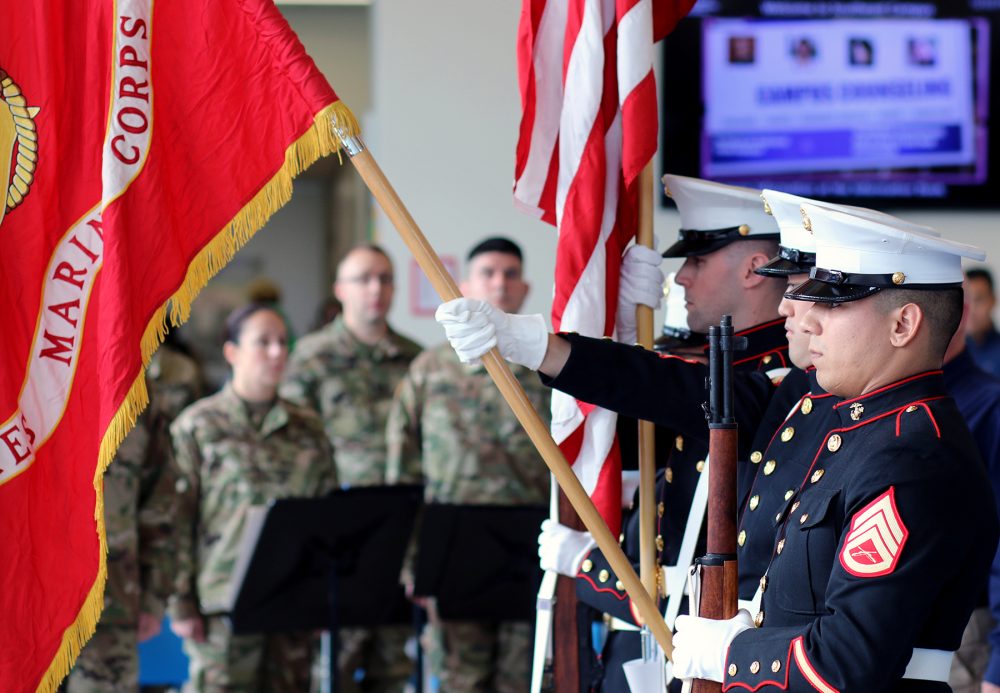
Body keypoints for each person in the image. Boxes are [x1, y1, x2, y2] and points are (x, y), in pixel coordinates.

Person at [668, 203, 998, 690]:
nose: (804, 318)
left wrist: (730, 653)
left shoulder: (912, 456)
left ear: (903, 325)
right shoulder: (860, 430)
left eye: (834, 304)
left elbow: (845, 662)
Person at [535, 175, 792, 690]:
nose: (681, 279)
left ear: (755, 269)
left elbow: (668, 390)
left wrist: (554, 351)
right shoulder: (701, 370)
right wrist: (621, 333)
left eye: (696, 262)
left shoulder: (782, 382)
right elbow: (626, 425)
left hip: (708, 644)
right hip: (645, 630)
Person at [385, 237, 550, 692]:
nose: (500, 283)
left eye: (510, 274)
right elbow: (404, 472)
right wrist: (411, 561)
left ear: (524, 287)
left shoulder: (545, 366)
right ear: (465, 285)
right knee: (462, 679)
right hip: (453, 543)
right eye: (489, 273)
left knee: (528, 677)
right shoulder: (430, 370)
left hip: (528, 541)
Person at [168, 303, 337, 692]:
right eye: (263, 342)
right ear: (232, 352)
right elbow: (176, 519)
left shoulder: (307, 427)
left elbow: (327, 517)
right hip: (222, 601)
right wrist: (180, 603)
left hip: (292, 601)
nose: (277, 352)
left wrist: (320, 596)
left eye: (282, 342)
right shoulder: (198, 426)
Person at [280, 243, 422, 692]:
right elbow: (290, 446)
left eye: (384, 278)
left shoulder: (415, 358)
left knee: (393, 665)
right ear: (340, 289)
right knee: (330, 669)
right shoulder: (310, 357)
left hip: (399, 529)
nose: (375, 289)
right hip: (336, 531)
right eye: (363, 279)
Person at [66, 339, 202, 692]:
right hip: (17, 612)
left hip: (109, 607)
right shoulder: (15, 384)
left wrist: (156, 594)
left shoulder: (136, 394)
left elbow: (162, 501)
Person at [965, 268, 1000, 377]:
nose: (971, 310)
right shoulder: (949, 352)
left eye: (978, 299)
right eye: (966, 301)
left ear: (993, 300)